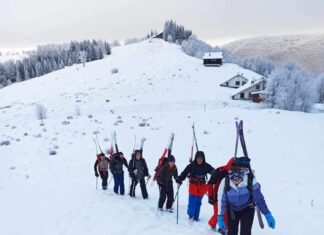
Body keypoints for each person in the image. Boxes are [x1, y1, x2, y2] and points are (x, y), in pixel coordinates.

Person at [218, 156, 276, 235]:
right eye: (233, 179)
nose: (235, 181)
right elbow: (222, 201)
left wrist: (267, 214)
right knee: (232, 232)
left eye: (237, 179)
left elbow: (259, 199)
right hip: (232, 210)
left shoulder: (250, 180)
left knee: (245, 232)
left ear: (242, 176)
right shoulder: (226, 182)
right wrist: (220, 216)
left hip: (247, 209)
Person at [175, 151, 214, 221]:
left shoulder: (206, 166)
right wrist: (179, 178)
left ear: (203, 159)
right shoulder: (191, 165)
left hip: (202, 187)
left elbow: (213, 171)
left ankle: (196, 217)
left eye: (201, 159)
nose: (199, 160)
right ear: (196, 158)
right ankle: (190, 215)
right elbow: (184, 173)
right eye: (198, 158)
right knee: (192, 203)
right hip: (193, 186)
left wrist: (217, 174)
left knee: (198, 203)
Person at [207, 157, 234, 231]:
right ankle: (212, 224)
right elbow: (210, 183)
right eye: (232, 165)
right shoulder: (220, 171)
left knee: (227, 214)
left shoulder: (237, 173)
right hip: (217, 197)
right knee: (218, 214)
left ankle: (223, 228)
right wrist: (210, 196)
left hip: (229, 198)